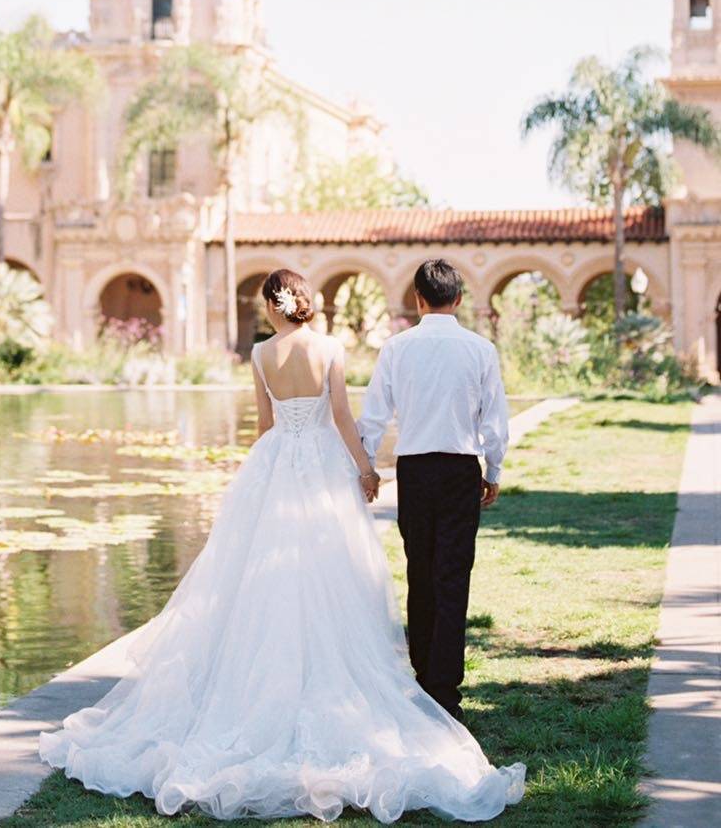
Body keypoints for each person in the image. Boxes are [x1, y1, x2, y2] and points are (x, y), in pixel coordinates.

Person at [40, 267, 524, 823]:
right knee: (405, 578)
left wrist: (301, 471)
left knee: (316, 577)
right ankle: (440, 689)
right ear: (458, 298)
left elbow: (276, 425)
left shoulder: (271, 355)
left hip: (301, 470)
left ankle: (412, 677)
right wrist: (370, 469)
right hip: (381, 469)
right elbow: (348, 416)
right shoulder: (368, 348)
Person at [360, 258, 510, 721]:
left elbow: (373, 417)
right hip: (460, 468)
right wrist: (494, 468)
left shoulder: (397, 348)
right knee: (452, 578)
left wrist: (366, 467)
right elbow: (494, 419)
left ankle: (423, 681)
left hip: (416, 471)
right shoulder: (480, 349)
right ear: (459, 299)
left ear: (418, 300)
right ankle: (445, 690)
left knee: (420, 574)